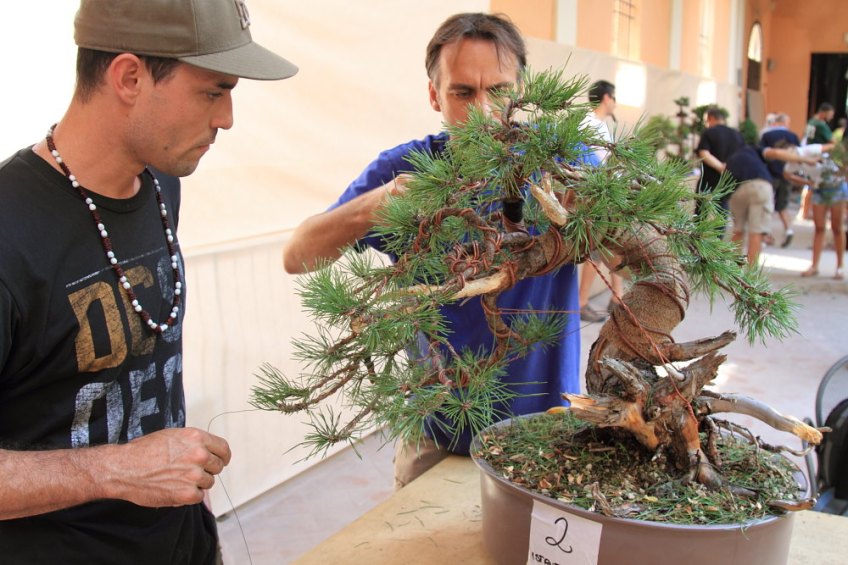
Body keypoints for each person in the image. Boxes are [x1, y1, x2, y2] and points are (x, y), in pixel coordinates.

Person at [0, 1, 297, 562]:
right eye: (213, 91)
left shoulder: (161, 184)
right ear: (130, 77)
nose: (227, 118)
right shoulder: (10, 231)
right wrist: (116, 470)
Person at [283, 13, 589, 489]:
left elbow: (627, 254)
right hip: (438, 431)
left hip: (547, 428)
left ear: (523, 89)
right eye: (463, 93)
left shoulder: (563, 161)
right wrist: (373, 206)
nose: (483, 111)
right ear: (434, 95)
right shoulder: (405, 169)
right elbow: (297, 256)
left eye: (499, 91)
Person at [724, 143, 821, 266]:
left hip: (736, 191)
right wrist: (806, 159)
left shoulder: (730, 160)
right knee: (756, 232)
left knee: (738, 230)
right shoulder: (752, 150)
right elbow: (776, 153)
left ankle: (732, 271)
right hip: (760, 185)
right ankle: (750, 274)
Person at [577, 80, 625, 323]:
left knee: (611, 244)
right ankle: (581, 302)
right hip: (595, 195)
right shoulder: (589, 124)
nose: (615, 103)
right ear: (607, 97)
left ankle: (617, 296)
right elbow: (590, 162)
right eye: (614, 98)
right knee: (597, 249)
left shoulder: (601, 125)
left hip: (607, 193)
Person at [789, 148, 846, 280]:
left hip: (837, 189)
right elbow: (787, 173)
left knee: (837, 228)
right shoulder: (803, 156)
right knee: (819, 228)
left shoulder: (829, 151)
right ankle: (814, 266)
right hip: (819, 190)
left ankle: (840, 267)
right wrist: (808, 183)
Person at [760, 113, 801, 247]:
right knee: (782, 206)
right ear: (785, 123)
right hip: (787, 174)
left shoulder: (767, 136)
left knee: (767, 205)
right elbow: (799, 154)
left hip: (770, 174)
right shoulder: (793, 136)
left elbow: (762, 154)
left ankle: (765, 235)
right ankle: (788, 230)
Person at [695, 106, 745, 216]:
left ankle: (699, 228)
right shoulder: (736, 134)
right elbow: (742, 155)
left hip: (708, 179)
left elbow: (704, 153)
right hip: (728, 179)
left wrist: (721, 167)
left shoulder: (709, 132)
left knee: (701, 213)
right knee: (722, 212)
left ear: (711, 118)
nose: (706, 123)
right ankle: (720, 228)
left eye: (706, 120)